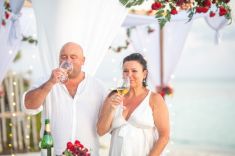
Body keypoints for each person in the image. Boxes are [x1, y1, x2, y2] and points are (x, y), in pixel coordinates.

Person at [22, 42, 106, 155]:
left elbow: (106, 124)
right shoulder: (46, 81)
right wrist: (50, 83)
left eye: (73, 57)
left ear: (83, 61)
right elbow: (28, 106)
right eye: (63, 57)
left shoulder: (98, 87)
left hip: (88, 153)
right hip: (52, 153)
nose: (68, 61)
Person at [97, 53, 170, 156]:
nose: (129, 75)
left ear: (144, 74)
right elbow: (100, 131)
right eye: (125, 71)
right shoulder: (113, 96)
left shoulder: (154, 99)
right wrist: (112, 109)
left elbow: (164, 136)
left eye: (134, 71)